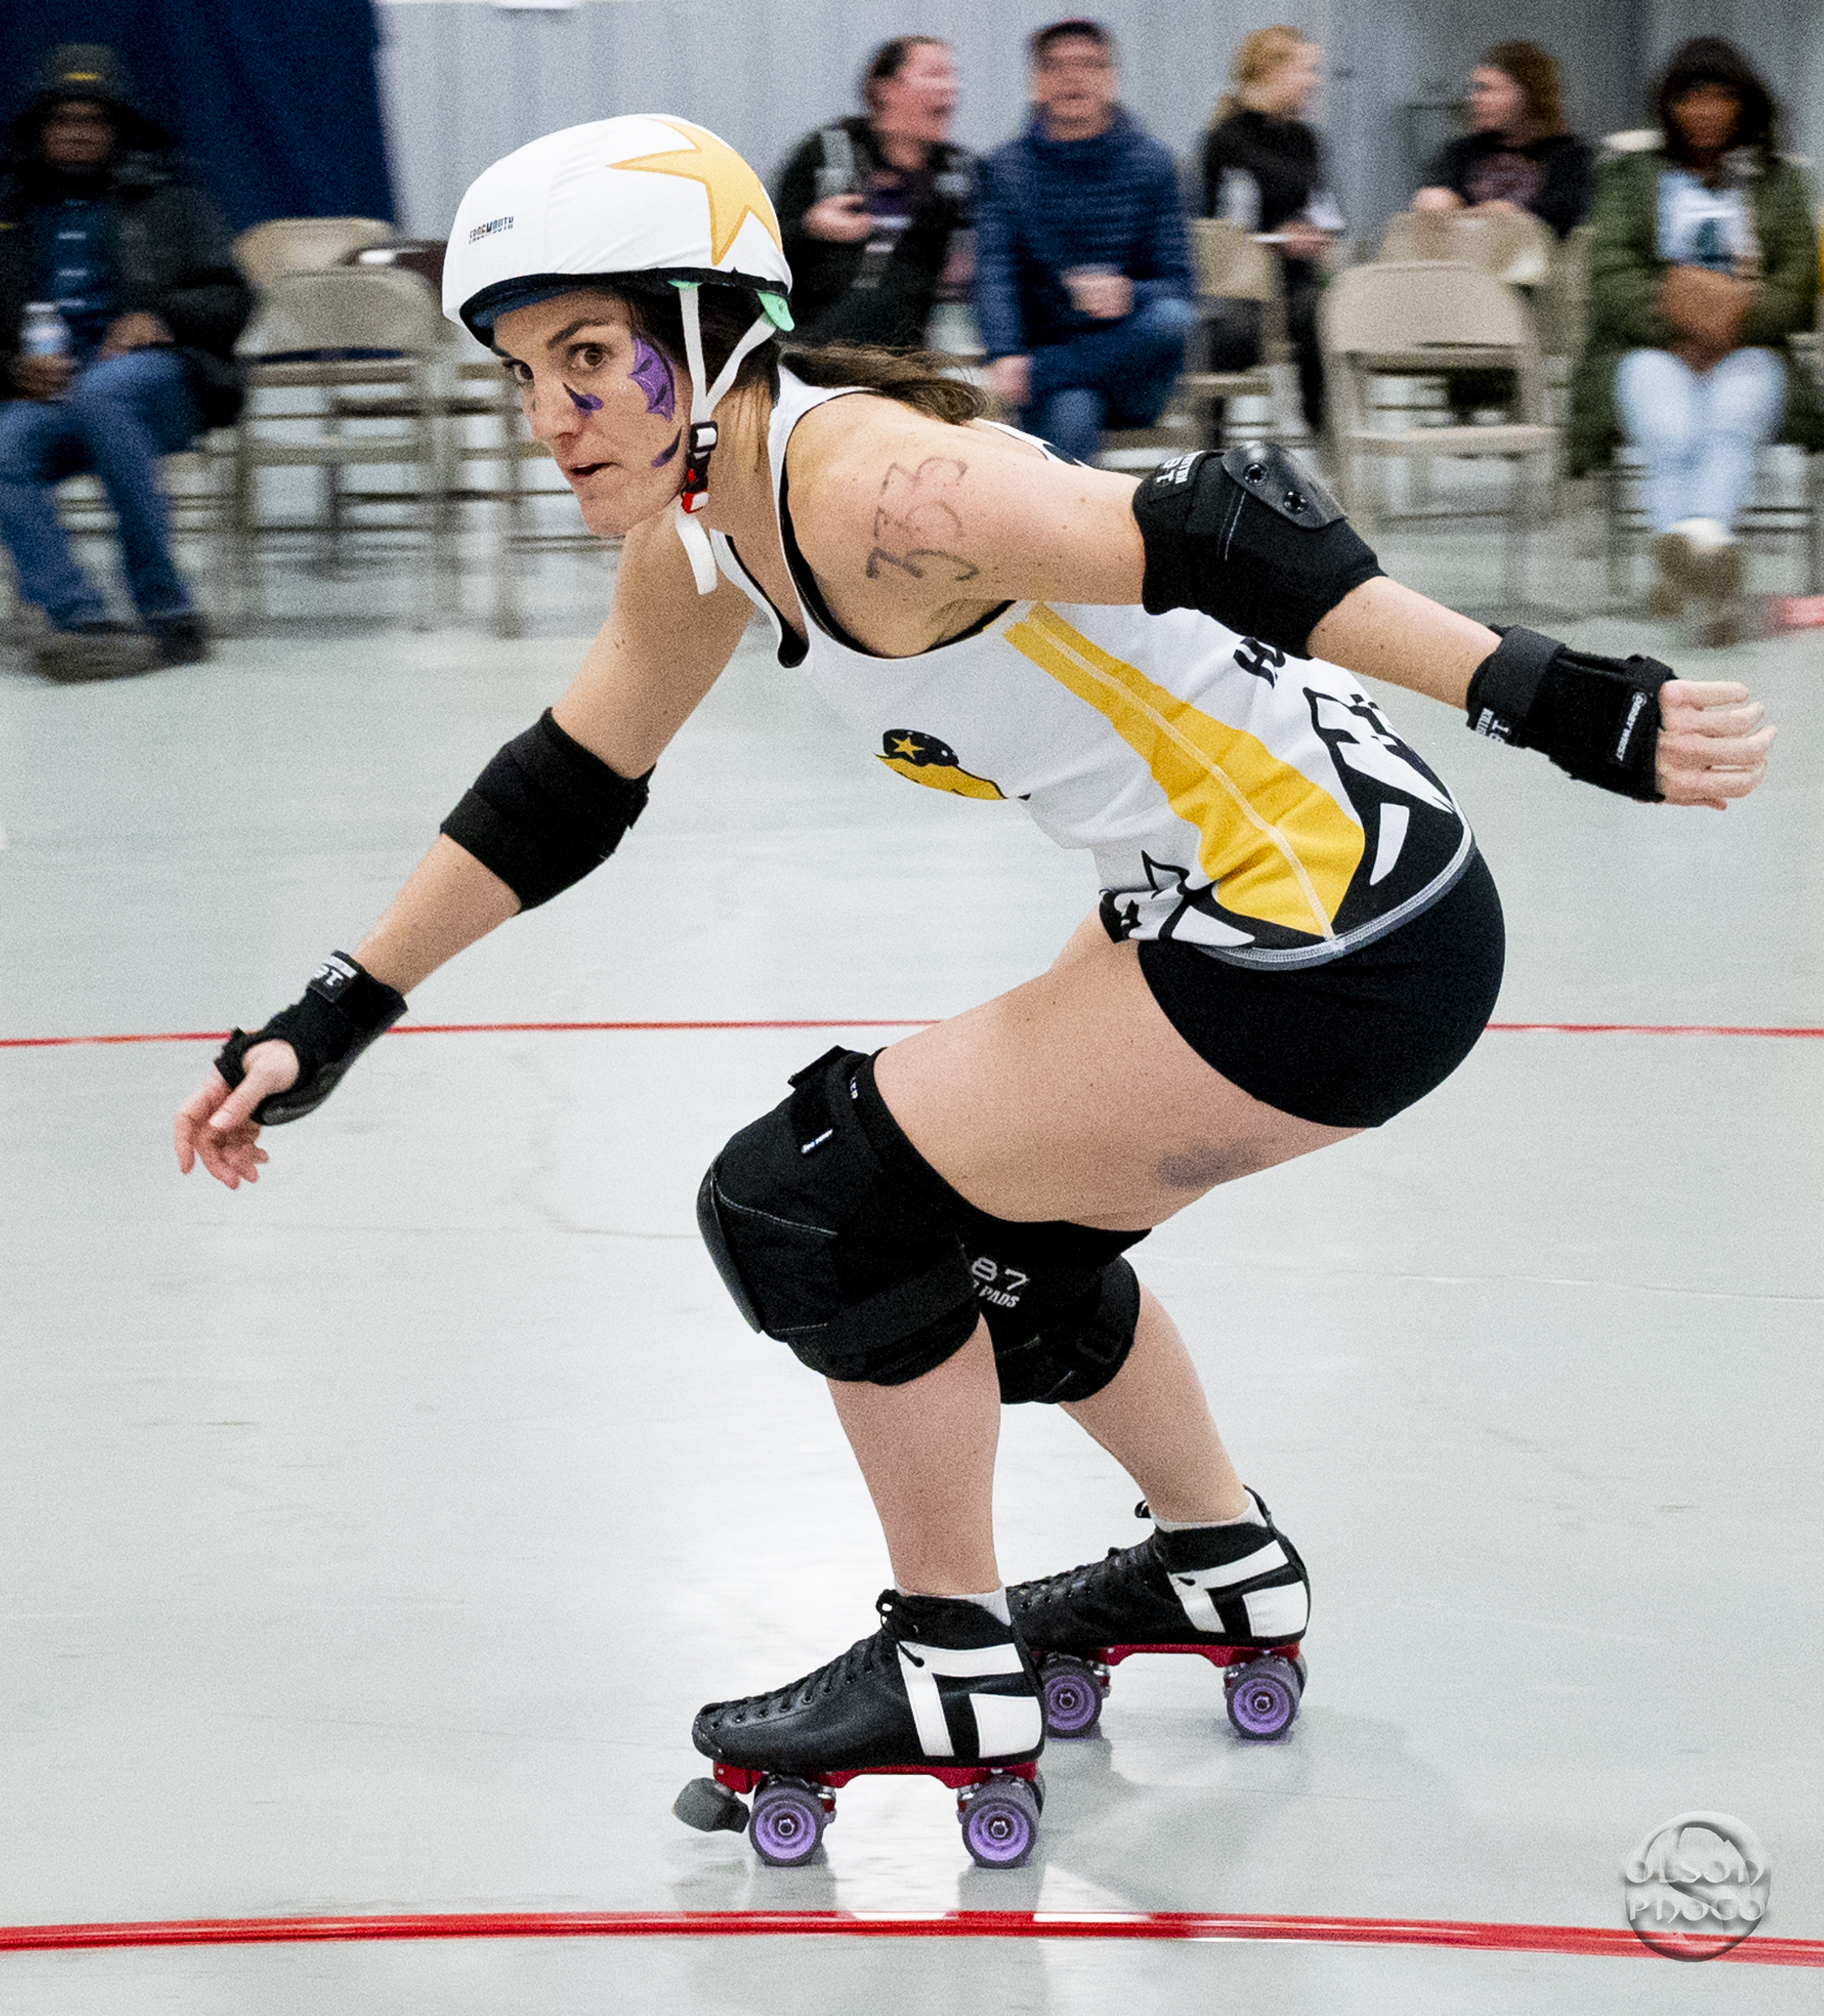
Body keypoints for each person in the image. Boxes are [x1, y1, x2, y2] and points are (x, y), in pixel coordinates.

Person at [173, 115, 1772, 1866]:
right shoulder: (706, 534)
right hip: (1279, 910)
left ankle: (947, 1661)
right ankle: (1216, 1565)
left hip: (1321, 935)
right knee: (1001, 1249)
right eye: (523, 371)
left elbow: (1230, 520)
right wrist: (335, 1012)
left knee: (812, 1205)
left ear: (710, 332)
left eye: (591, 355)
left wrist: (1553, 697)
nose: (553, 412)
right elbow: (563, 787)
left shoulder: (866, 487)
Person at [0, 45, 250, 680]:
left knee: (106, 392)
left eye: (93, 120)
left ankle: (168, 609)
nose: (78, 132)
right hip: (52, 391)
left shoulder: (173, 203)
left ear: (118, 130)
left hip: (161, 383)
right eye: (64, 119)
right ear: (40, 130)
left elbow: (233, 300)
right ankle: (82, 624)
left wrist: (162, 316)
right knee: (2, 446)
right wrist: (11, 373)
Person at [1569, 38, 1821, 648]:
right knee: (1673, 427)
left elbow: (1796, 282)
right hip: (1648, 345)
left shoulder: (1779, 182)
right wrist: (1678, 327)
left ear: (1742, 105)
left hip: (1751, 347)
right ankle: (1711, 563)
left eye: (1720, 97)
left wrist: (1730, 325)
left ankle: (1688, 548)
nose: (1705, 111)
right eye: (1691, 98)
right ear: (1671, 105)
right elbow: (1611, 274)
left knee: (1732, 416)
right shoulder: (1629, 177)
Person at [975, 18, 1193, 465]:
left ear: (1110, 78)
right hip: (1054, 356)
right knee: (1072, 414)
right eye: (1055, 66)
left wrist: (1128, 293)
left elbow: (1179, 283)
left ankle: (1046, 373)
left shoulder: (1153, 163)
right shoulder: (1006, 168)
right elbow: (995, 271)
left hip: (1133, 367)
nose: (1072, 78)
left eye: (1088, 65)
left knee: (1172, 318)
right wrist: (1005, 351)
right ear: (1036, 82)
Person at [773, 37, 974, 350]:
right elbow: (766, 253)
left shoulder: (959, 173)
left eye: (951, 76)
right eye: (934, 74)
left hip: (908, 355)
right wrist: (810, 227)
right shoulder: (826, 154)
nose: (950, 87)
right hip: (813, 347)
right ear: (886, 89)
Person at [1198, 25, 1342, 437]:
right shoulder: (1225, 140)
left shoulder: (1307, 139)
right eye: (1306, 70)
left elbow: (1322, 207)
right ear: (1272, 70)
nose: (1314, 81)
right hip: (1241, 287)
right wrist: (1278, 241)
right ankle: (1211, 443)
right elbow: (1218, 230)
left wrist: (1318, 232)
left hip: (1297, 285)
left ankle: (1321, 434)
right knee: (1232, 330)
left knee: (1324, 312)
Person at [1412, 42, 1594, 239]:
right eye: (1476, 89)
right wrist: (1435, 199)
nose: (1475, 99)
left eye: (1488, 89)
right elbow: (1438, 188)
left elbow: (1565, 216)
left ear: (1528, 95)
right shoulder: (1461, 152)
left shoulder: (1568, 155)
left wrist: (1516, 216)